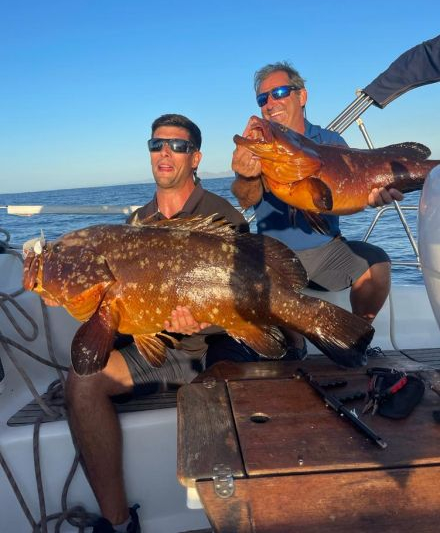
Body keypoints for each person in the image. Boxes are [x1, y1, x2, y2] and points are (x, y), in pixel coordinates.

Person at [65, 114, 247, 533]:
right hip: (162, 352)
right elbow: (129, 315)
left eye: (177, 146)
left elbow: (238, 299)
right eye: (157, 144)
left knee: (237, 385)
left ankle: (239, 517)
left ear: (195, 157)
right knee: (82, 380)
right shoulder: (134, 224)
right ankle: (118, 521)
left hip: (214, 348)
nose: (165, 152)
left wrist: (200, 324)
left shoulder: (223, 217)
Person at [231, 62, 403, 343]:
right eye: (263, 98)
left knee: (378, 264)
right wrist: (246, 175)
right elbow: (245, 198)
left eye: (279, 92)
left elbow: (348, 194)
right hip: (274, 257)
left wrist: (370, 198)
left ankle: (354, 335)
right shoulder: (260, 144)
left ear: (302, 96)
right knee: (291, 347)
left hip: (327, 252)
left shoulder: (330, 142)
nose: (270, 103)